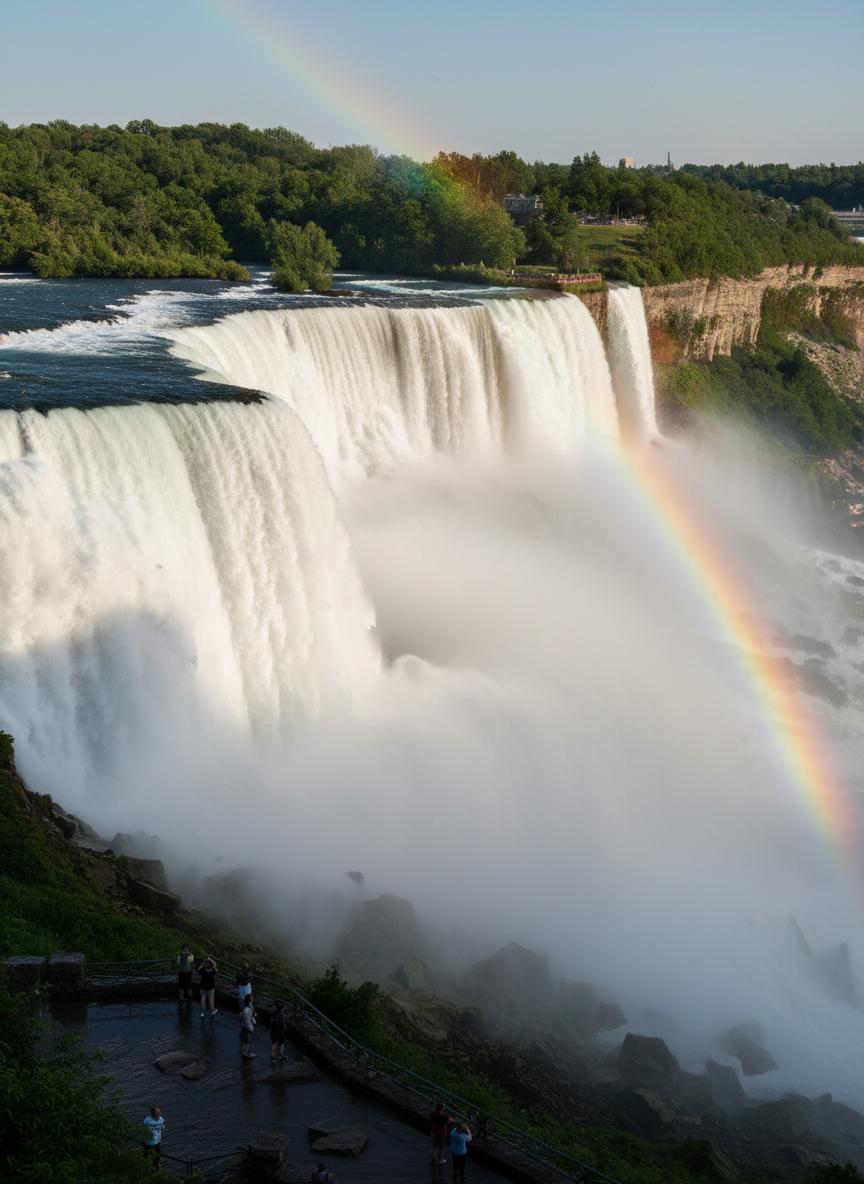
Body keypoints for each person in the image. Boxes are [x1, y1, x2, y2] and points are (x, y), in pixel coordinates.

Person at [199, 955, 218, 1019]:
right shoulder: (212, 971)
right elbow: (216, 971)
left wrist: (202, 964)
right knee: (211, 999)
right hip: (210, 987)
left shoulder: (203, 970)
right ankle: (212, 1010)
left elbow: (199, 970)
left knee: (203, 998)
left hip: (203, 986)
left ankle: (202, 1012)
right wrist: (213, 963)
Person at [270, 998, 288, 1064]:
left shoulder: (273, 1014)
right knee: (282, 1043)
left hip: (274, 1031)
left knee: (273, 1043)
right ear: (281, 1008)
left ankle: (273, 1058)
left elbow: (271, 1022)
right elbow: (284, 1024)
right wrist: (285, 1029)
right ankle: (281, 1054)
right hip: (281, 1031)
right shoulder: (282, 1015)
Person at [240, 994, 256, 1058]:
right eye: (252, 998)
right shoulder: (247, 1009)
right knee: (248, 1041)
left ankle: (243, 1052)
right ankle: (247, 1053)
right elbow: (247, 1020)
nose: (253, 999)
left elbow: (241, 1016)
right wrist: (251, 1028)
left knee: (245, 1040)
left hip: (244, 1026)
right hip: (247, 1027)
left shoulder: (247, 1008)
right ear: (249, 1000)